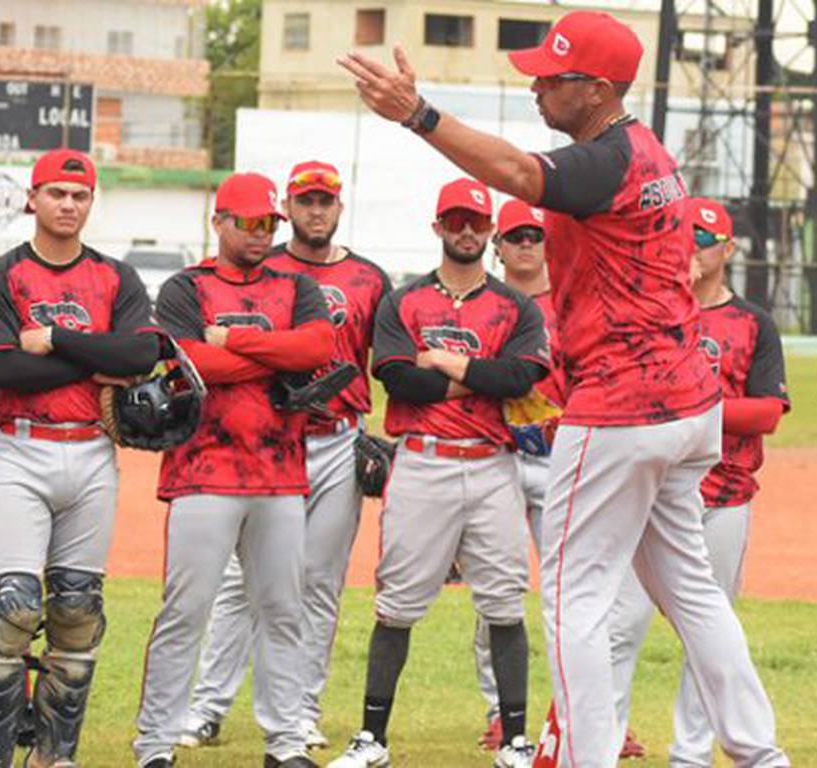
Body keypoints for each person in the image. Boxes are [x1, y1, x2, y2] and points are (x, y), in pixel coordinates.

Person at [339, 11, 788, 767]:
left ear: (602, 89)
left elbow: (519, 175)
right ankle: (758, 752)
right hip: (684, 406)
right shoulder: (647, 152)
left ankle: (584, 758)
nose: (538, 84)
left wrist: (420, 114)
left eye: (555, 74)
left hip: (621, 408)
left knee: (573, 597)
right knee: (691, 589)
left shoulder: (607, 161)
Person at [327, 178, 550, 768]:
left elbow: (519, 379)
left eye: (476, 222)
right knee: (396, 602)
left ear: (490, 233)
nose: (467, 230)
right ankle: (373, 737)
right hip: (422, 462)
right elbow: (399, 377)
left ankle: (516, 740)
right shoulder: (404, 301)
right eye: (456, 221)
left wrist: (446, 363)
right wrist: (478, 373)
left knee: (503, 602)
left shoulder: (516, 307)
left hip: (491, 465)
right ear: (439, 228)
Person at [180, 160, 390, 751]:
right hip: (271, 439)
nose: (315, 210)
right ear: (287, 209)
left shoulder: (369, 278)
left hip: (339, 437)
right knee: (237, 581)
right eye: (304, 201)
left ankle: (300, 711)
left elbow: (380, 358)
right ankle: (207, 707)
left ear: (339, 208)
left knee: (318, 583)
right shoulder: (263, 270)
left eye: (325, 201)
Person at [0, 149, 162, 767]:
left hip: (91, 454)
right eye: (56, 194)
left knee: (78, 611)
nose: (68, 206)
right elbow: (0, 368)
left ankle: (54, 757)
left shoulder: (116, 278)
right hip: (19, 450)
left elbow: (140, 356)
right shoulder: (3, 276)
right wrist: (93, 354)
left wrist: (55, 340)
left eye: (80, 196)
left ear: (91, 202)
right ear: (33, 198)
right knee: (13, 610)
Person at [133, 172, 335, 768]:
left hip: (280, 474)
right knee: (185, 611)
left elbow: (319, 347)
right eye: (247, 222)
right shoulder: (185, 287)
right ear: (218, 222)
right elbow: (188, 361)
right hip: (203, 469)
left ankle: (286, 743)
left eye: (269, 223)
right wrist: (271, 356)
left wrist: (235, 346)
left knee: (283, 609)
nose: (259, 233)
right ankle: (154, 745)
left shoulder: (295, 287)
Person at [608, 198, 791, 766]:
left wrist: (691, 408)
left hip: (724, 496)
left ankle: (691, 754)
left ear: (728, 250)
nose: (692, 250)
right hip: (651, 500)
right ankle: (600, 746)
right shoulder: (653, 315)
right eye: (684, 238)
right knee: (619, 627)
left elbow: (767, 413)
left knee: (707, 633)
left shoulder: (752, 323)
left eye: (705, 242)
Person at [471, 199, 645, 761]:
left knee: (584, 590)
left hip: (565, 456)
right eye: (515, 235)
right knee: (497, 590)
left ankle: (597, 713)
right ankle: (503, 710)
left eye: (533, 234)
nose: (525, 244)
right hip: (497, 452)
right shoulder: (485, 302)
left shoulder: (575, 300)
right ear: (497, 242)